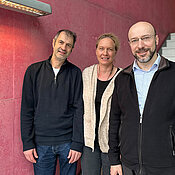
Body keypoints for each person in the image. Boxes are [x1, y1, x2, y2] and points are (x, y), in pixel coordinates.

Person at [109, 21, 175, 175]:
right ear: (129, 44)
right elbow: (114, 120)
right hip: (128, 164)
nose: (140, 45)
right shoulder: (122, 78)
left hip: (166, 164)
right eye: (134, 40)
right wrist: (114, 160)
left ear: (157, 40)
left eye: (146, 38)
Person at [21, 29, 84, 175]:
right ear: (54, 42)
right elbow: (27, 109)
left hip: (68, 144)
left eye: (68, 45)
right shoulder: (33, 71)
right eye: (61, 42)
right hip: (41, 143)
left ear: (72, 49)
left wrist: (77, 144)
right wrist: (27, 143)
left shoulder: (76, 73)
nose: (64, 47)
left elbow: (79, 109)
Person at [81, 33, 122, 175]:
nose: (105, 53)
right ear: (96, 50)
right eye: (101, 48)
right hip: (89, 142)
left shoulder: (123, 78)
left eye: (110, 49)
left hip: (112, 143)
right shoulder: (86, 74)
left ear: (115, 51)